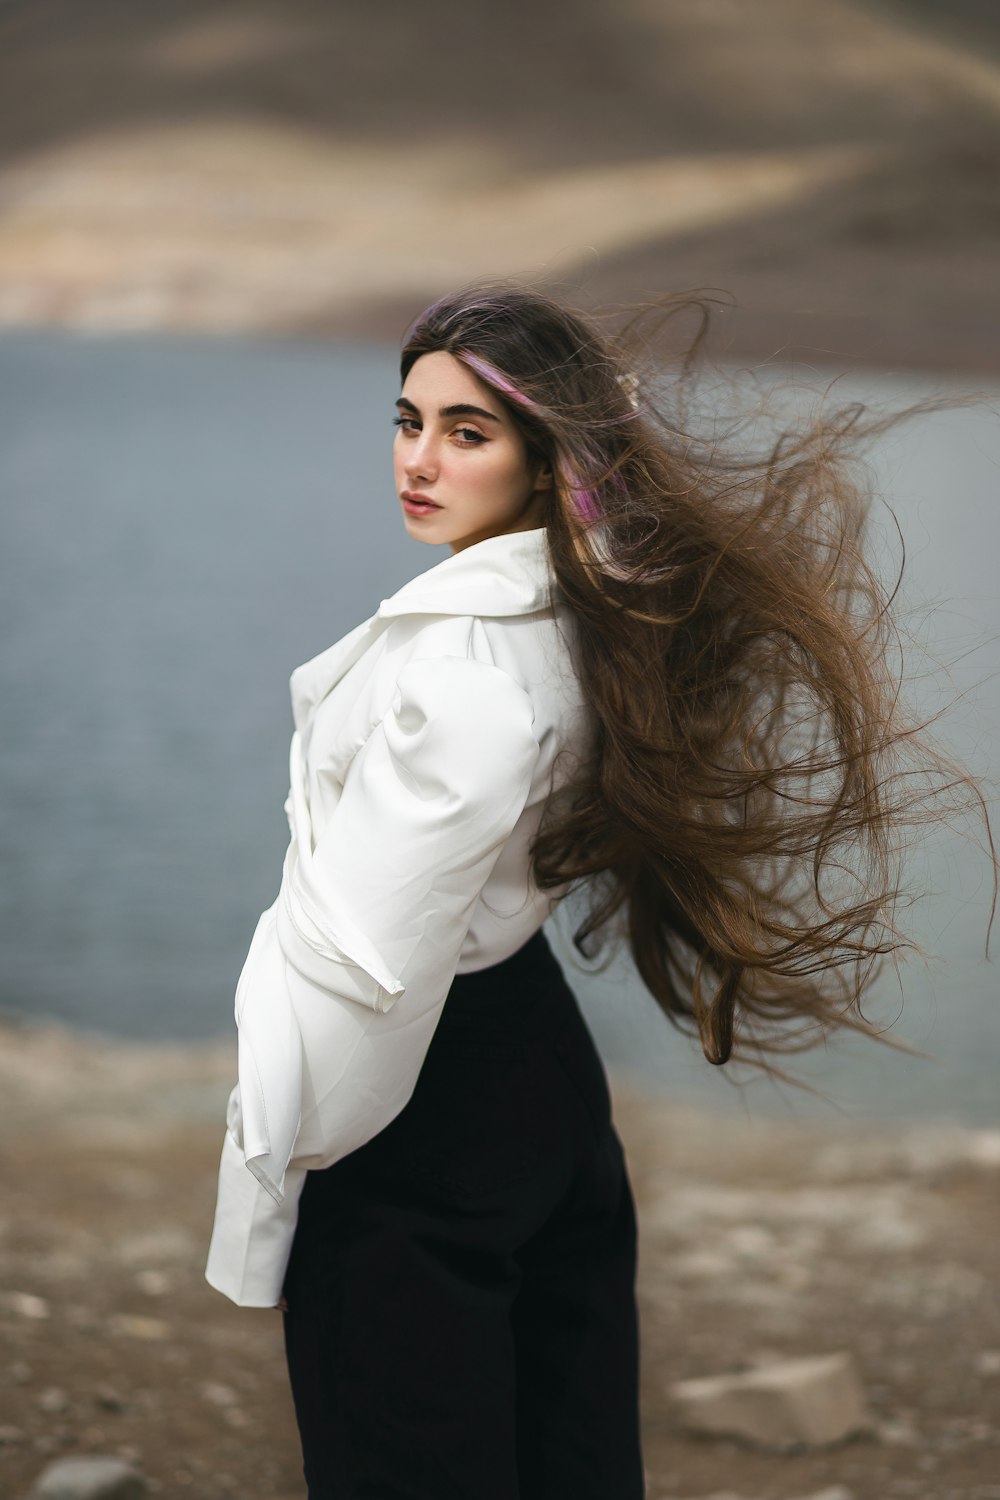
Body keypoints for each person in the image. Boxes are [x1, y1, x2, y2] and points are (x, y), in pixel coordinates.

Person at [205, 284, 992, 1499]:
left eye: (467, 433)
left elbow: (366, 956)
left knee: (406, 1458)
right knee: (562, 1442)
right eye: (407, 420)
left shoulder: (464, 664)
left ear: (542, 452)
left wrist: (285, 1164)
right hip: (536, 1064)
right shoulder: (586, 616)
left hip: (417, 1090)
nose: (418, 460)